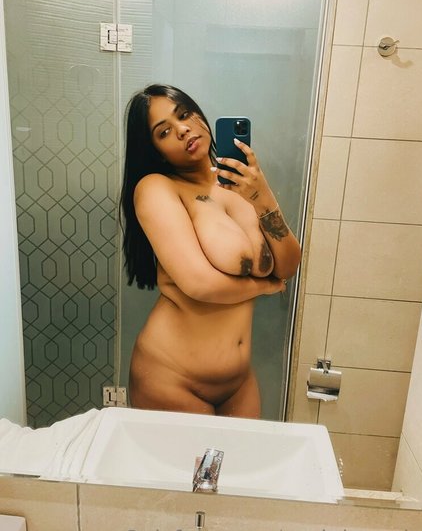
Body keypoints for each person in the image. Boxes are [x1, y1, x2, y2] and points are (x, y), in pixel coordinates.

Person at [120, 84, 301, 418]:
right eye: (164, 132)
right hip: (171, 376)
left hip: (239, 381)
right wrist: (265, 286)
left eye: (184, 114)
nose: (182, 129)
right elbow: (199, 284)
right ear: (155, 150)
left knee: (244, 455)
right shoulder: (158, 188)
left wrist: (262, 195)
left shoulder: (240, 184)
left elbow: (288, 264)